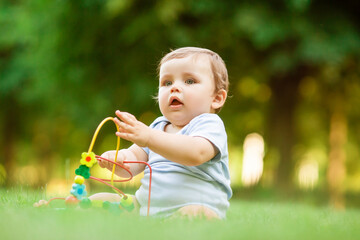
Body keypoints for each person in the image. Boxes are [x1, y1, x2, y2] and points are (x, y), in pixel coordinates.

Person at [36, 47, 232, 219]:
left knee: (196, 214)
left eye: (189, 81)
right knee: (101, 199)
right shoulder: (156, 127)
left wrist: (148, 137)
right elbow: (131, 165)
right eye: (166, 82)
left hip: (196, 206)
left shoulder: (209, 124)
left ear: (217, 98)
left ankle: (172, 227)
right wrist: (118, 159)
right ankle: (66, 212)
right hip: (144, 207)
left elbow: (195, 153)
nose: (175, 88)